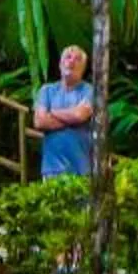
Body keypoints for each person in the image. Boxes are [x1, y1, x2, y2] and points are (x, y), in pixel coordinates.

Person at [33, 44, 97, 178]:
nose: (72, 61)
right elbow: (39, 121)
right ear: (60, 64)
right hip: (52, 169)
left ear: (83, 68)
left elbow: (80, 115)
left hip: (81, 170)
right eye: (68, 57)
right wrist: (71, 118)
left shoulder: (89, 90)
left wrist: (52, 113)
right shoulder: (47, 91)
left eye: (78, 59)